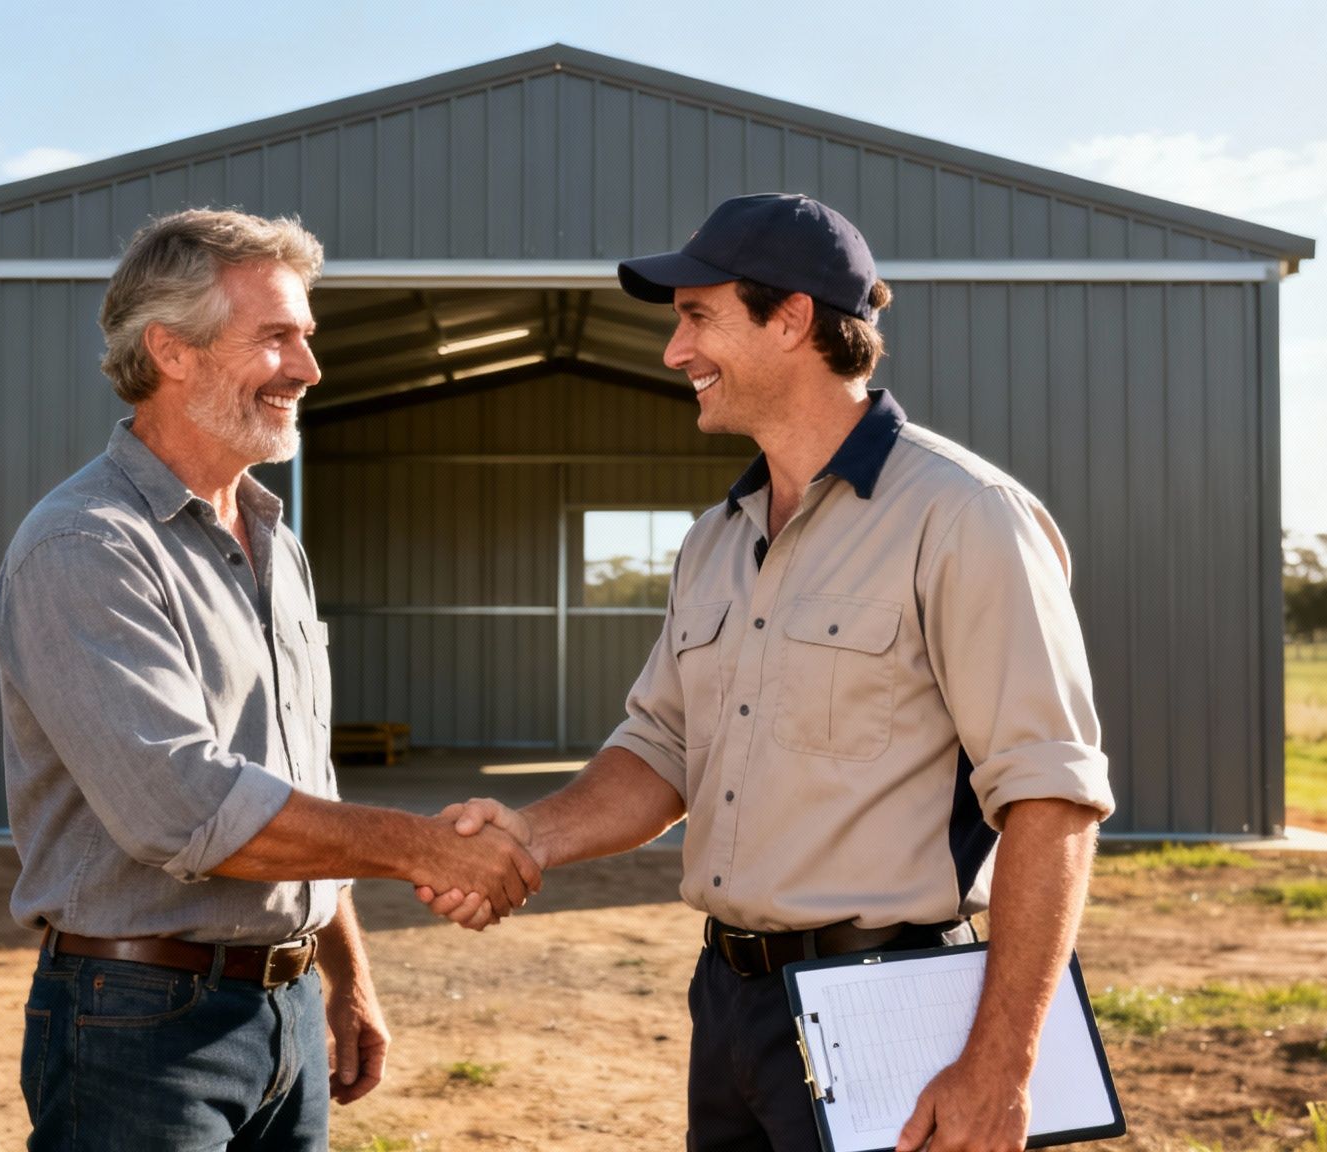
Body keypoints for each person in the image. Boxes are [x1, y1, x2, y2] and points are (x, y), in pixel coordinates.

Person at [420, 193, 1116, 1152]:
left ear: (792, 318)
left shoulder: (964, 517)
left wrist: (1002, 1060)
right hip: (732, 1005)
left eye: (698, 316)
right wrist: (528, 836)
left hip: (895, 1012)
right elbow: (664, 751)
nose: (675, 351)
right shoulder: (716, 541)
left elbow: (1051, 797)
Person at [0, 208, 541, 1151]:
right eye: (276, 336)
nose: (309, 368)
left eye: (307, 337)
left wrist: (344, 974)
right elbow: (186, 807)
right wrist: (424, 849)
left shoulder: (272, 541)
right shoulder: (88, 546)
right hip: (138, 1026)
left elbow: (298, 783)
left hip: (281, 1014)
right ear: (171, 349)